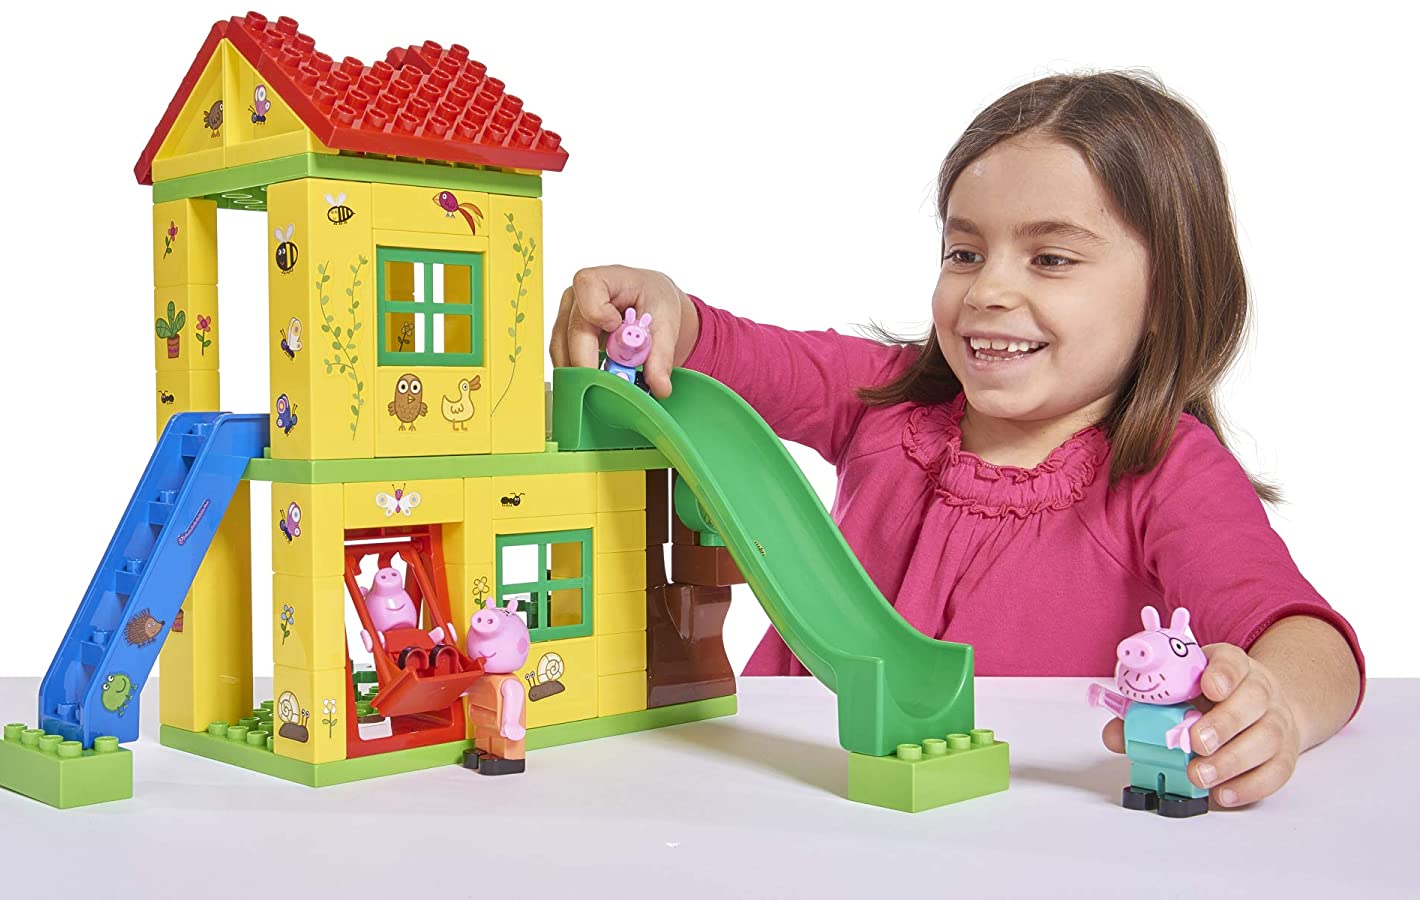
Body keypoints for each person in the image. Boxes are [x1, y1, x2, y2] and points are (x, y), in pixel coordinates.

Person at [549, 70, 1363, 809]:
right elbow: (728, 352)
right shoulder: (889, 399)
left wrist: (1277, 706)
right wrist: (661, 310)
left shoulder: (1167, 472)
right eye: (965, 252)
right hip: (780, 786)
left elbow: (1308, 639)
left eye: (1050, 258)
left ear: (1165, 298)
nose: (988, 290)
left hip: (1002, 825)